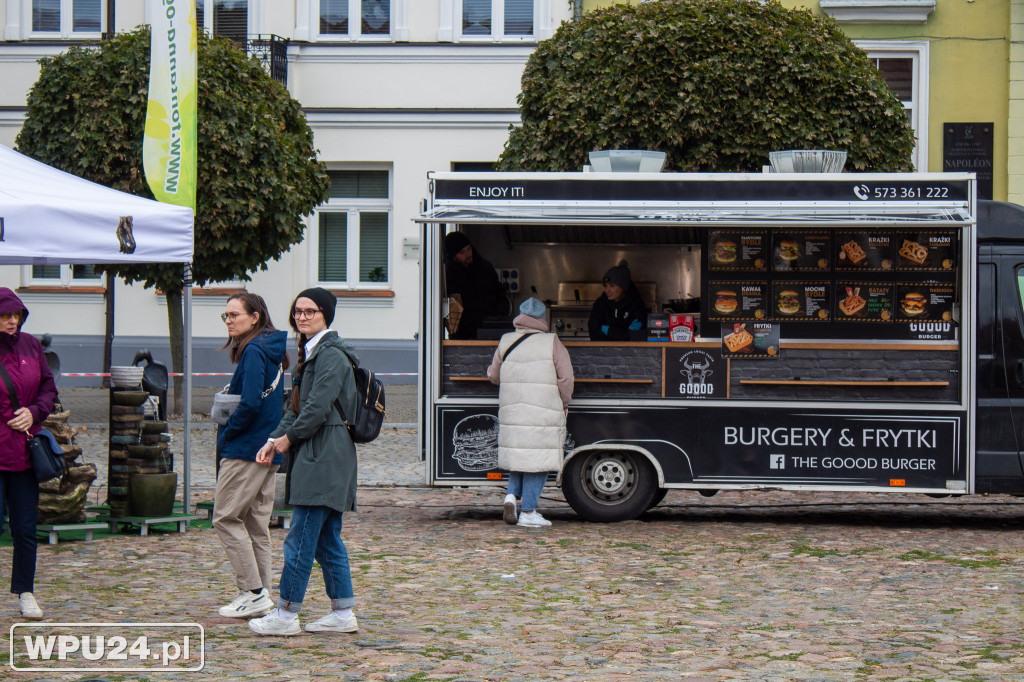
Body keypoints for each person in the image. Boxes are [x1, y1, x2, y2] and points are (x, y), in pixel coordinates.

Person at [249, 287, 361, 637]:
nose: (301, 317)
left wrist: (287, 440)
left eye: (310, 311)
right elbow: (295, 407)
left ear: (325, 315)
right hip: (319, 455)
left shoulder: (331, 355)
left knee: (299, 540)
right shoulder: (313, 353)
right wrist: (273, 440)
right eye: (297, 311)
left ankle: (285, 616)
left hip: (325, 458)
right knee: (327, 539)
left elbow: (316, 409)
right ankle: (343, 612)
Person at [213, 292, 290, 619]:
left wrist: (229, 434)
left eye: (234, 315)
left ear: (255, 316)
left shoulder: (255, 350)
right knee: (255, 524)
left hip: (247, 449)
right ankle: (262, 594)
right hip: (266, 447)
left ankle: (254, 591)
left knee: (225, 517)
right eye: (225, 316)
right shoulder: (269, 348)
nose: (229, 320)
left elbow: (250, 403)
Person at [487, 297, 574, 528]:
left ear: (520, 317)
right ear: (542, 319)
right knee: (538, 460)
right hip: (543, 411)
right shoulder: (552, 342)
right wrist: (565, 402)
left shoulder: (506, 341)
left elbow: (494, 377)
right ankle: (528, 512)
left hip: (513, 412)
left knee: (521, 456)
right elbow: (566, 378)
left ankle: (510, 497)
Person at [0, 289, 57, 621]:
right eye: (6, 315)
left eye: (17, 315)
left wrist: (34, 412)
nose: (12, 320)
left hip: (23, 452)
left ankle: (26, 592)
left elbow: (49, 388)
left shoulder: (31, 346)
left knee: (25, 527)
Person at [444, 231, 509, 339]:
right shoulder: (449, 275)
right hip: (462, 335)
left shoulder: (485, 268)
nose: (468, 255)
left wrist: (499, 315)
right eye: (462, 252)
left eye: (468, 249)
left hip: (489, 330)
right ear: (453, 257)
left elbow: (500, 295)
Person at [588, 260, 648, 341]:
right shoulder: (600, 304)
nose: (607, 290)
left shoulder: (636, 305)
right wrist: (626, 333)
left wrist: (610, 331)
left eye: (612, 286)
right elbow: (594, 334)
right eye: (605, 286)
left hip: (631, 352)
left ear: (623, 287)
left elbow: (640, 336)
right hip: (604, 352)